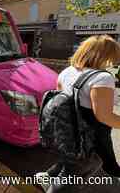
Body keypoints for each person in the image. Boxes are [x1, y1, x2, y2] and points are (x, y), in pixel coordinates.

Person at [40, 35, 120, 192]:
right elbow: (104, 116)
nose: (114, 63)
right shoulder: (102, 77)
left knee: (69, 161)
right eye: (113, 58)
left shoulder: (67, 71)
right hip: (87, 141)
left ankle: (47, 177)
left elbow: (61, 99)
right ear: (105, 57)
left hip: (65, 133)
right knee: (72, 179)